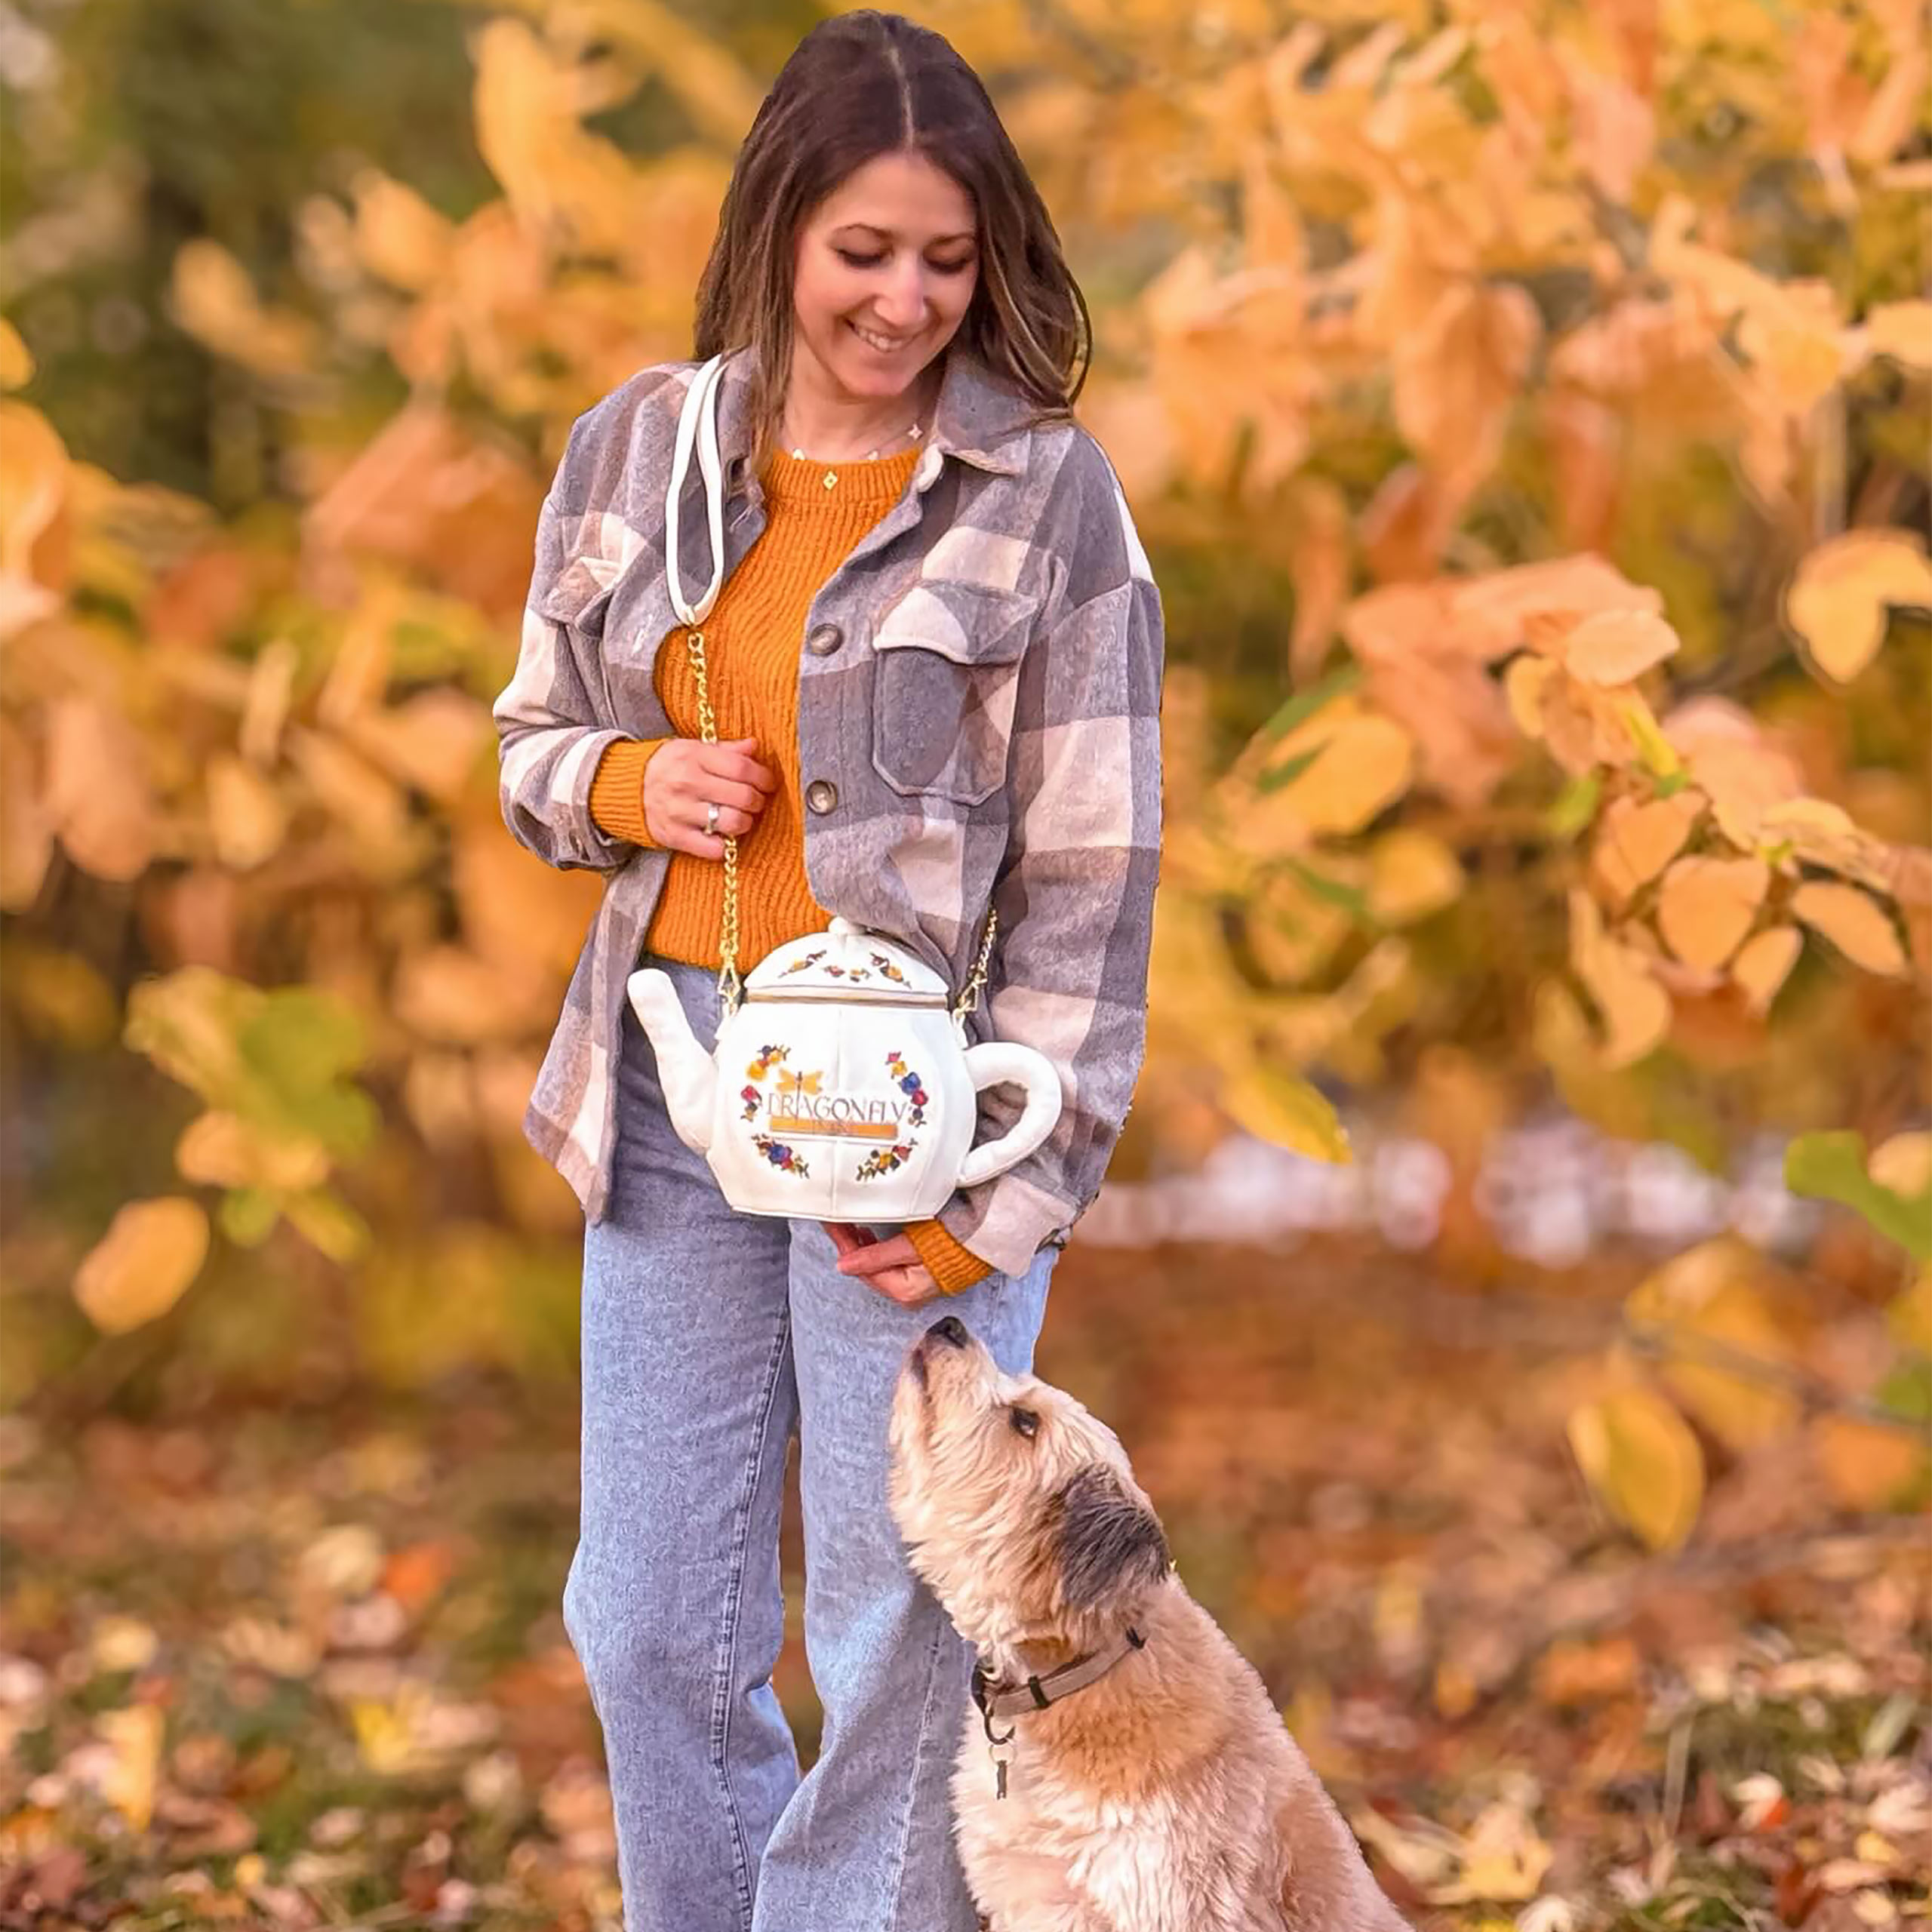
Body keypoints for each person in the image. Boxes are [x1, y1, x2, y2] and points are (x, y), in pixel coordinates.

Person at [491, 11, 1164, 1928]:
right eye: (864, 251)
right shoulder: (636, 444)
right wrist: (625, 776)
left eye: (946, 259)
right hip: (672, 1076)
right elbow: (532, 748)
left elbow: (1096, 876)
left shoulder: (1046, 496)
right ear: (778, 223)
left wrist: (1008, 1201)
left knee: (893, 1626)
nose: (905, 299)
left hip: (920, 1115)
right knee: (645, 1614)